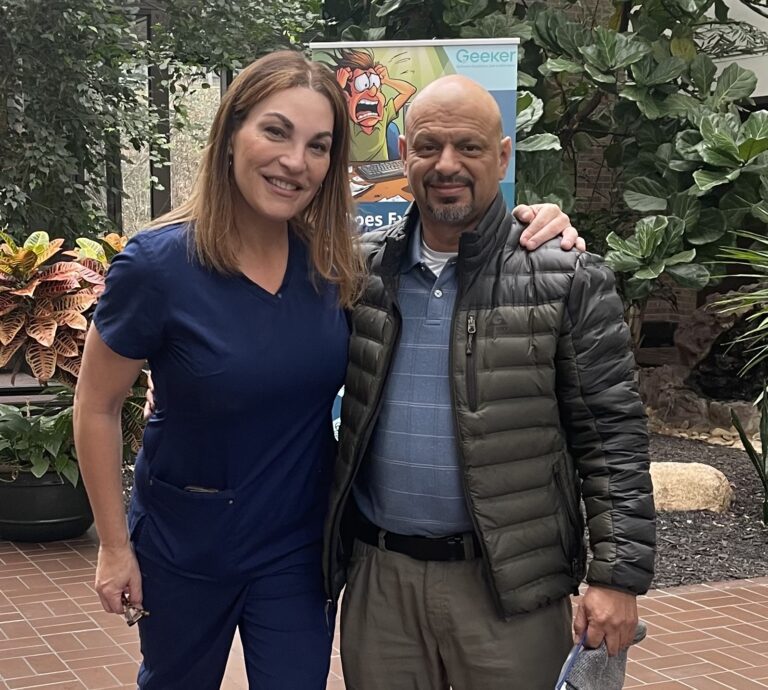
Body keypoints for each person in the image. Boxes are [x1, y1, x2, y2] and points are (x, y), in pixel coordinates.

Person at [74, 51, 582, 690]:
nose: (295, 161)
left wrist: (540, 221)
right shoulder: (157, 265)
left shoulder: (336, 263)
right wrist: (114, 547)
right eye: (276, 131)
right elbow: (95, 405)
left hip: (296, 544)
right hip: (185, 542)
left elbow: (457, 252)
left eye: (318, 146)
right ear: (232, 132)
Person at [323, 75, 656, 690]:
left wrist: (617, 577)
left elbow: (612, 436)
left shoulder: (565, 276)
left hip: (510, 587)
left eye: (468, 147)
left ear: (503, 155)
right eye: (428, 146)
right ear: (403, 151)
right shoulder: (360, 271)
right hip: (380, 586)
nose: (446, 164)